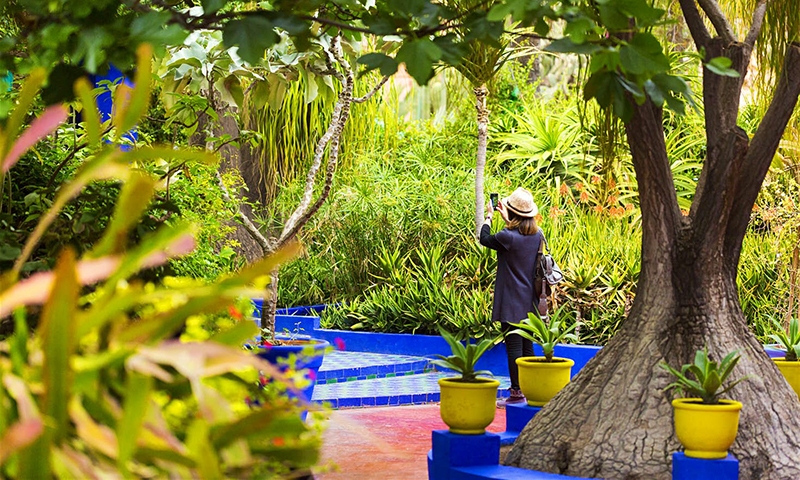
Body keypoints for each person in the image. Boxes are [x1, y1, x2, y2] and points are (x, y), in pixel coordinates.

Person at [479, 187, 543, 407]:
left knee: (513, 346)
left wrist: (489, 216)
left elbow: (484, 237)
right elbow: (518, 237)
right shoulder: (538, 234)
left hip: (510, 301)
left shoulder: (507, 237)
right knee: (527, 346)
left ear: (512, 213)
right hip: (530, 301)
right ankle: (531, 389)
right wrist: (508, 221)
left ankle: (516, 393)